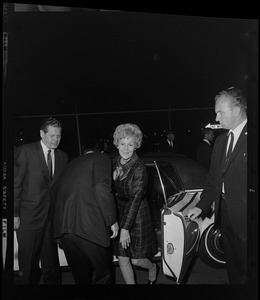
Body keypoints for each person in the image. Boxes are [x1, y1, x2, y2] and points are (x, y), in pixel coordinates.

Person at [187, 87, 247, 284]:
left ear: (236, 111)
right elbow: (213, 180)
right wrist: (200, 206)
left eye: (220, 112)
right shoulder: (220, 141)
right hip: (225, 216)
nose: (216, 117)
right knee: (234, 269)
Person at [51, 143, 119, 284]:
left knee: (81, 278)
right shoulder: (101, 157)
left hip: (65, 232)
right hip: (90, 229)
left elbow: (54, 193)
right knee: (104, 275)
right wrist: (111, 220)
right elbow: (101, 187)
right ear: (97, 152)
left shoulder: (70, 165)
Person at [14, 117, 68, 284]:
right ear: (41, 134)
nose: (55, 139)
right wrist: (14, 214)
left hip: (51, 221)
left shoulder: (62, 157)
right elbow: (15, 185)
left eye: (58, 136)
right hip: (28, 219)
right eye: (52, 135)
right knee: (28, 267)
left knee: (52, 266)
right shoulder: (26, 151)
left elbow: (60, 190)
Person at [112, 123, 158, 284]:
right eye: (122, 143)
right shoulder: (115, 162)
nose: (126, 148)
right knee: (122, 259)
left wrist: (125, 229)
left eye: (130, 144)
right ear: (117, 143)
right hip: (120, 212)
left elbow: (135, 199)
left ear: (136, 146)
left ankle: (152, 268)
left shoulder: (139, 167)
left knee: (136, 260)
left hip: (137, 215)